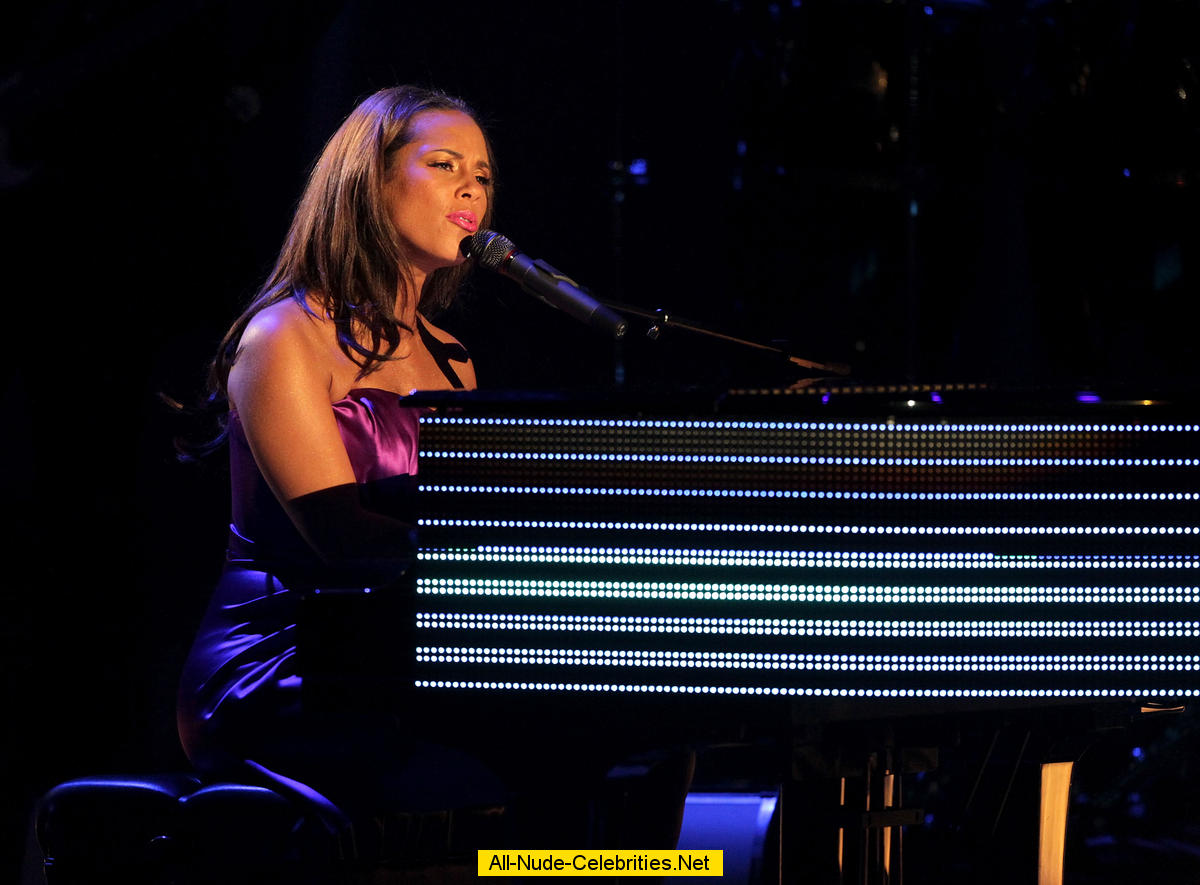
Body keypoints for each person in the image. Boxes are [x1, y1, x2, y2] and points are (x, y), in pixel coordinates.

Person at [175, 85, 692, 863]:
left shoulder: (454, 360)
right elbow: (341, 537)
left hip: (412, 643)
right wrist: (514, 574)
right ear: (367, 183)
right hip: (288, 662)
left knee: (656, 722)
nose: (471, 190)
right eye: (444, 164)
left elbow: (466, 519)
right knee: (560, 739)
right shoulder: (286, 335)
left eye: (482, 176)